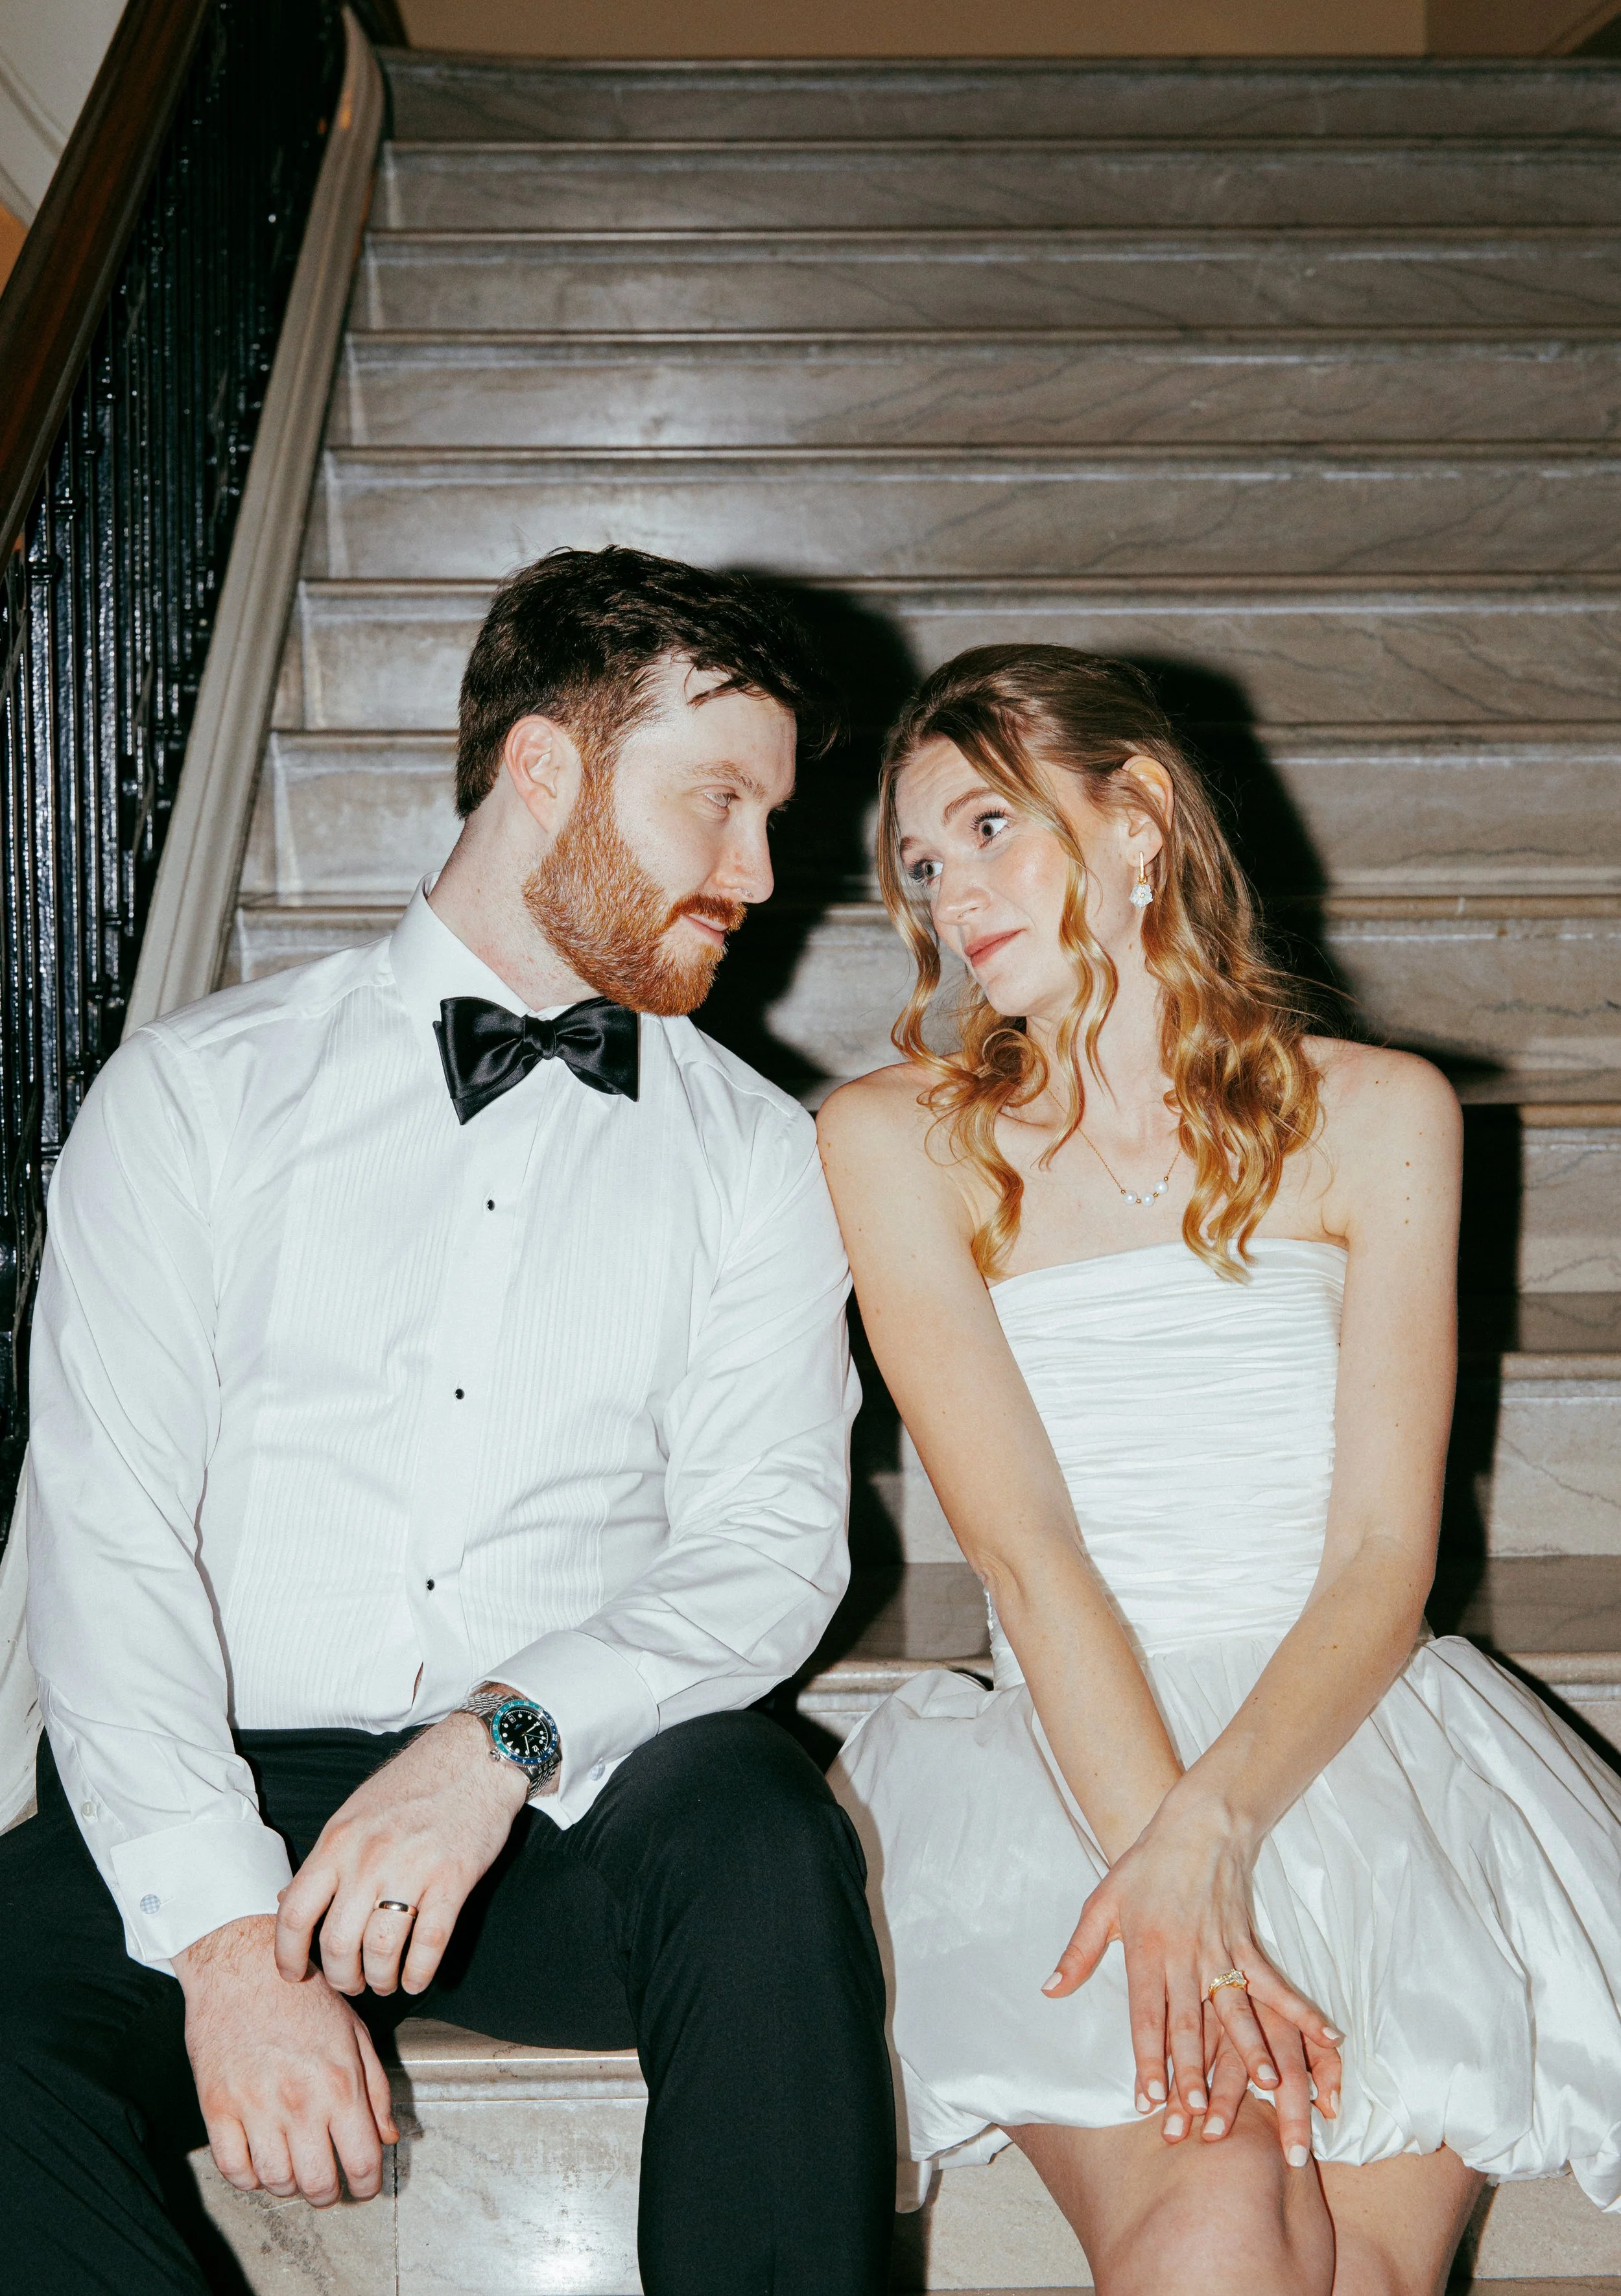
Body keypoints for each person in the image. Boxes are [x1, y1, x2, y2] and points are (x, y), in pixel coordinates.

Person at [0, 545, 895, 2296]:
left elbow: (771, 1541)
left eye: (770, 819)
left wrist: (504, 1742)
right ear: (542, 768)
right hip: (225, 1770)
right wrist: (231, 1942)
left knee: (764, 1836)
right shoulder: (195, 1096)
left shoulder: (756, 1154)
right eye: (716, 801)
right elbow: (101, 1541)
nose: (760, 873)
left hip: (573, 1802)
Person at [818, 644, 1621, 2296]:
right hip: (1066, 1746)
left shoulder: (1381, 1114)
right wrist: (1166, 1862)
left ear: (1138, 824)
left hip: (1347, 1733)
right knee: (1215, 2227)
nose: (947, 895)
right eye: (916, 862)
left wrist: (1222, 1831)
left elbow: (1383, 1554)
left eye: (987, 829)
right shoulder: (891, 1136)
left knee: (1364, 2276)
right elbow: (1026, 1557)